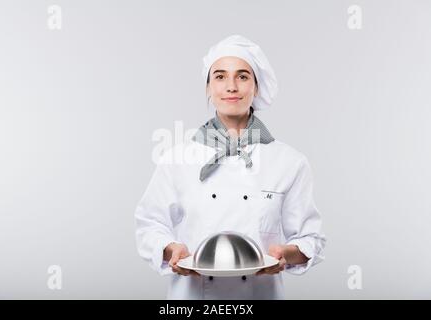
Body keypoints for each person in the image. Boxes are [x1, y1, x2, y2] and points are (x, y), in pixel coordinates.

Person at [134, 35, 326, 299]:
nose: (231, 86)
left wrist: (285, 254)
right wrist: (170, 250)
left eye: (243, 76)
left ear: (257, 88)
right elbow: (149, 224)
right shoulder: (176, 159)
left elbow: (310, 239)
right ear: (208, 88)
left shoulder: (290, 162)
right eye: (220, 76)